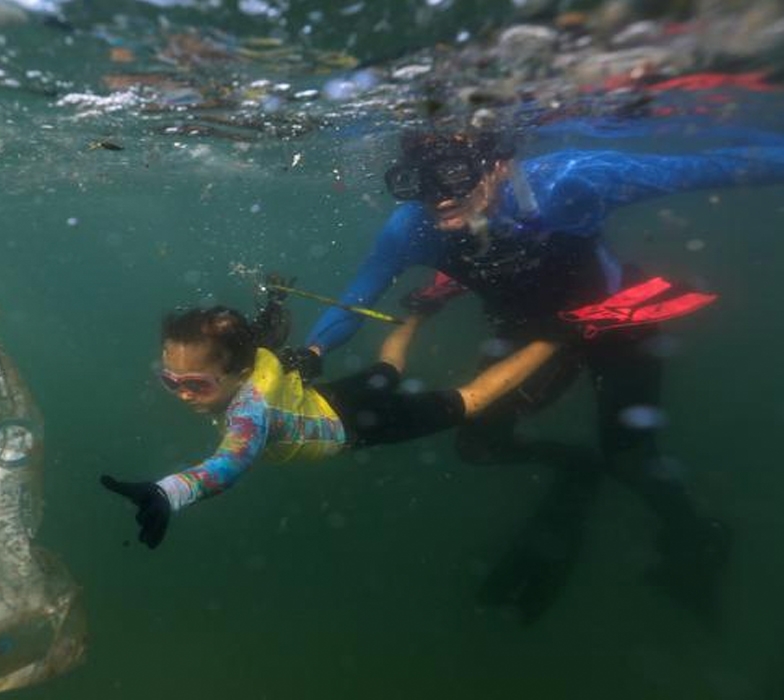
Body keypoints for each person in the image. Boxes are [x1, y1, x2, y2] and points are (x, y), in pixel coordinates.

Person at [286, 127, 784, 621]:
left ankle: (697, 536)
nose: (438, 199)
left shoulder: (573, 183)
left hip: (616, 325)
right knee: (479, 443)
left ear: (500, 164)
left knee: (630, 457)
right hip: (531, 338)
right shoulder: (411, 228)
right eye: (417, 182)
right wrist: (312, 350)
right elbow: (356, 298)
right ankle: (575, 466)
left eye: (454, 176)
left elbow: (714, 167)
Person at [101, 299, 560, 550]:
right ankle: (423, 307)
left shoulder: (250, 413)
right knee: (388, 372)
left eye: (196, 385)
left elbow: (229, 463)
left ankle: (559, 336)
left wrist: (170, 491)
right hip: (324, 399)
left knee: (472, 401)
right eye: (170, 381)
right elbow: (259, 342)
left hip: (356, 426)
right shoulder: (248, 355)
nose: (182, 394)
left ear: (238, 374)